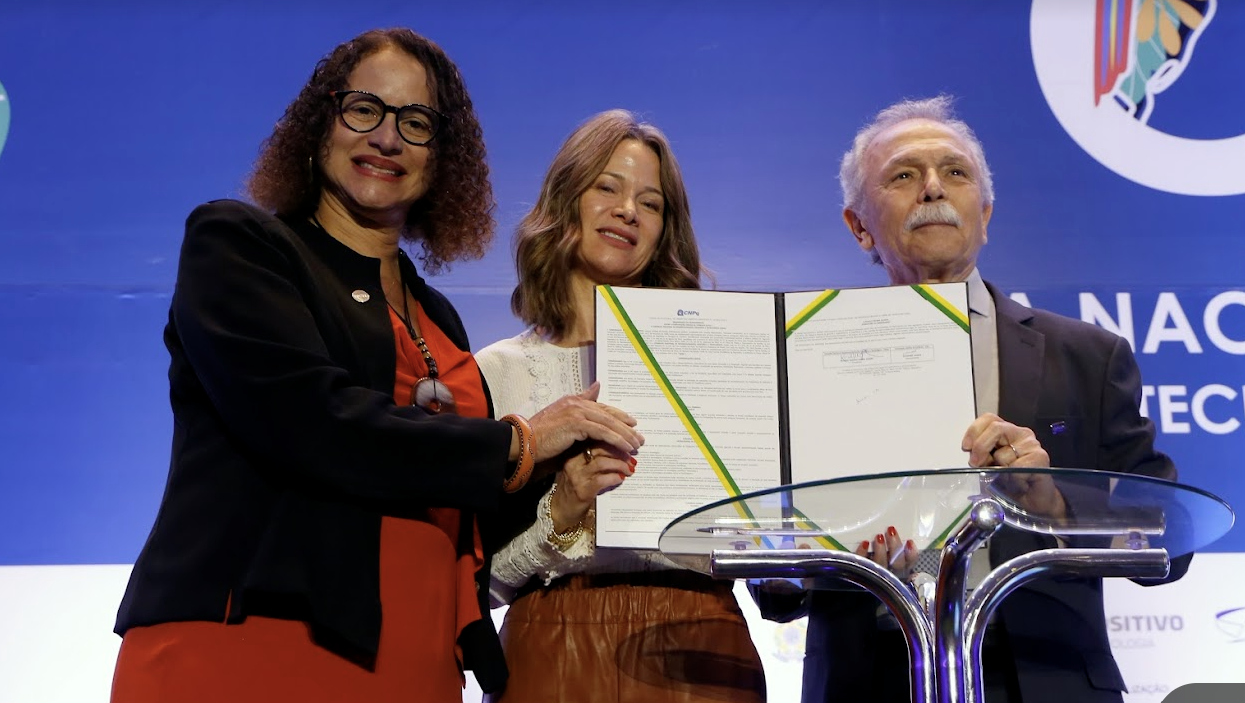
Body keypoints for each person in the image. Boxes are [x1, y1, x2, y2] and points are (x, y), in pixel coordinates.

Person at [109, 29, 643, 703]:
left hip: (416, 665)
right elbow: (311, 420)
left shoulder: (438, 317)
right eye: (364, 108)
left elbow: (455, 510)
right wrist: (520, 440)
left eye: (415, 123)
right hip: (255, 646)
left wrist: (562, 496)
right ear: (319, 120)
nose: (387, 138)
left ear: (441, 158)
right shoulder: (239, 246)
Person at [754, 96, 1188, 703]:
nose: (933, 188)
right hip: (869, 677)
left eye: (955, 172)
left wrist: (1055, 504)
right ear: (859, 228)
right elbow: (778, 588)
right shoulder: (801, 359)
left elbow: (1167, 538)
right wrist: (814, 552)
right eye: (903, 175)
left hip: (1041, 676)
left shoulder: (1088, 357)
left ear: (984, 214)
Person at [474, 109, 767, 703]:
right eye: (606, 187)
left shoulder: (719, 360)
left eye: (651, 203)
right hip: (549, 654)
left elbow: (760, 551)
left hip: (701, 643)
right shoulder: (497, 370)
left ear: (665, 230)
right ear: (566, 201)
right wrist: (565, 505)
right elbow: (481, 586)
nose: (628, 211)